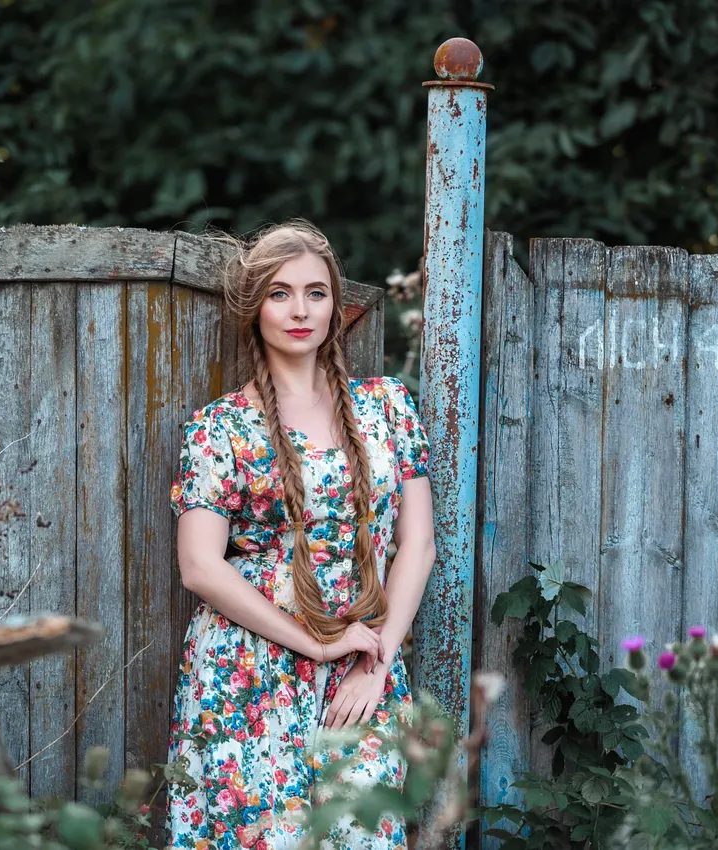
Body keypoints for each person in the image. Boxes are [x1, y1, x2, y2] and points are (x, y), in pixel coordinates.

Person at [166, 221, 437, 849]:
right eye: (280, 293)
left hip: (362, 668)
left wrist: (376, 661)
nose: (299, 310)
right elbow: (200, 567)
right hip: (246, 673)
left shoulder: (388, 408)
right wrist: (313, 647)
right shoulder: (220, 428)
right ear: (253, 307)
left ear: (336, 307)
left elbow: (416, 546)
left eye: (316, 293)